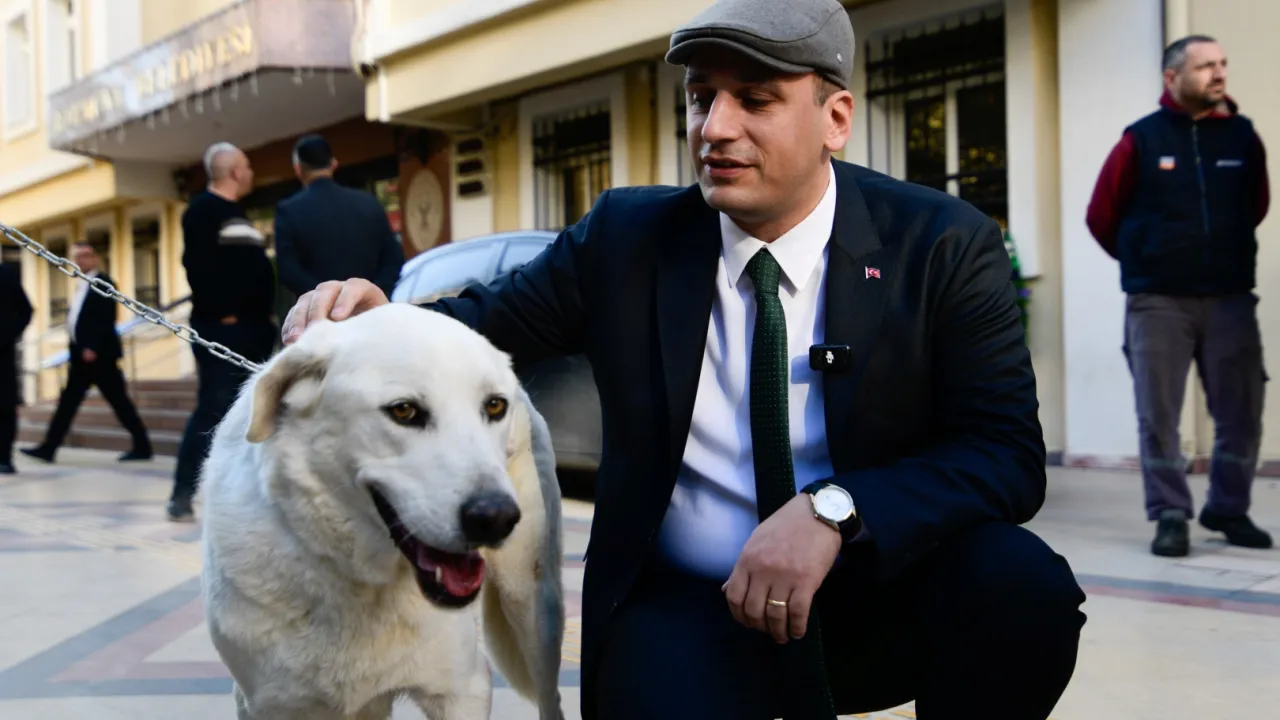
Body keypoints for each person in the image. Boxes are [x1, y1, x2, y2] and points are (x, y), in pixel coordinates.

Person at [280, 0, 1086, 717]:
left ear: (835, 118)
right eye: (702, 97)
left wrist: (836, 512)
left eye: (755, 100)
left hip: (870, 593)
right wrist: (379, 322)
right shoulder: (626, 239)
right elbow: (476, 330)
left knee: (1022, 590)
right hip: (686, 609)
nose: (715, 127)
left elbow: (1005, 454)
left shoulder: (941, 245)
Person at [1086, 34, 1272, 558]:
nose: (1219, 73)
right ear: (1172, 77)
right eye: (1206, 66)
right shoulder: (1140, 140)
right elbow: (1101, 215)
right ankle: (1170, 513)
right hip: (1159, 302)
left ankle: (1228, 508)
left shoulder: (1242, 137)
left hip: (1231, 298)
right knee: (1158, 414)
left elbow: (1255, 206)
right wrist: (1147, 260)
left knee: (1242, 411)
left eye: (1222, 63)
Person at [169, 142, 276, 522]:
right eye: (247, 166)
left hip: (253, 330)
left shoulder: (236, 213)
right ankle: (182, 493)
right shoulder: (203, 210)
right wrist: (224, 314)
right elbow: (198, 267)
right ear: (234, 172)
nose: (251, 172)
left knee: (249, 411)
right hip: (223, 329)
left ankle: (242, 493)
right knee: (213, 408)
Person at [20, 243, 152, 465]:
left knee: (118, 401)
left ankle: (142, 446)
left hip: (99, 357)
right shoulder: (81, 284)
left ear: (96, 258)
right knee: (68, 403)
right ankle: (48, 448)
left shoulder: (103, 283)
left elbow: (105, 318)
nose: (81, 260)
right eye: (78, 256)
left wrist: (92, 346)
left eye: (86, 255)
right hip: (80, 356)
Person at [273, 134, 404, 299]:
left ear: (298, 169)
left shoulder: (288, 211)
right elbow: (394, 259)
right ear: (333, 163)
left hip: (322, 310)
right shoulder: (368, 202)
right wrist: (370, 292)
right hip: (370, 306)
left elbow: (288, 271)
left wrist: (328, 297)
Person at [1, 260, 32, 475]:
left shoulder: (6, 274)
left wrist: (8, 336)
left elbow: (25, 310)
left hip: (2, 354)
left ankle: (4, 457)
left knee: (4, 406)